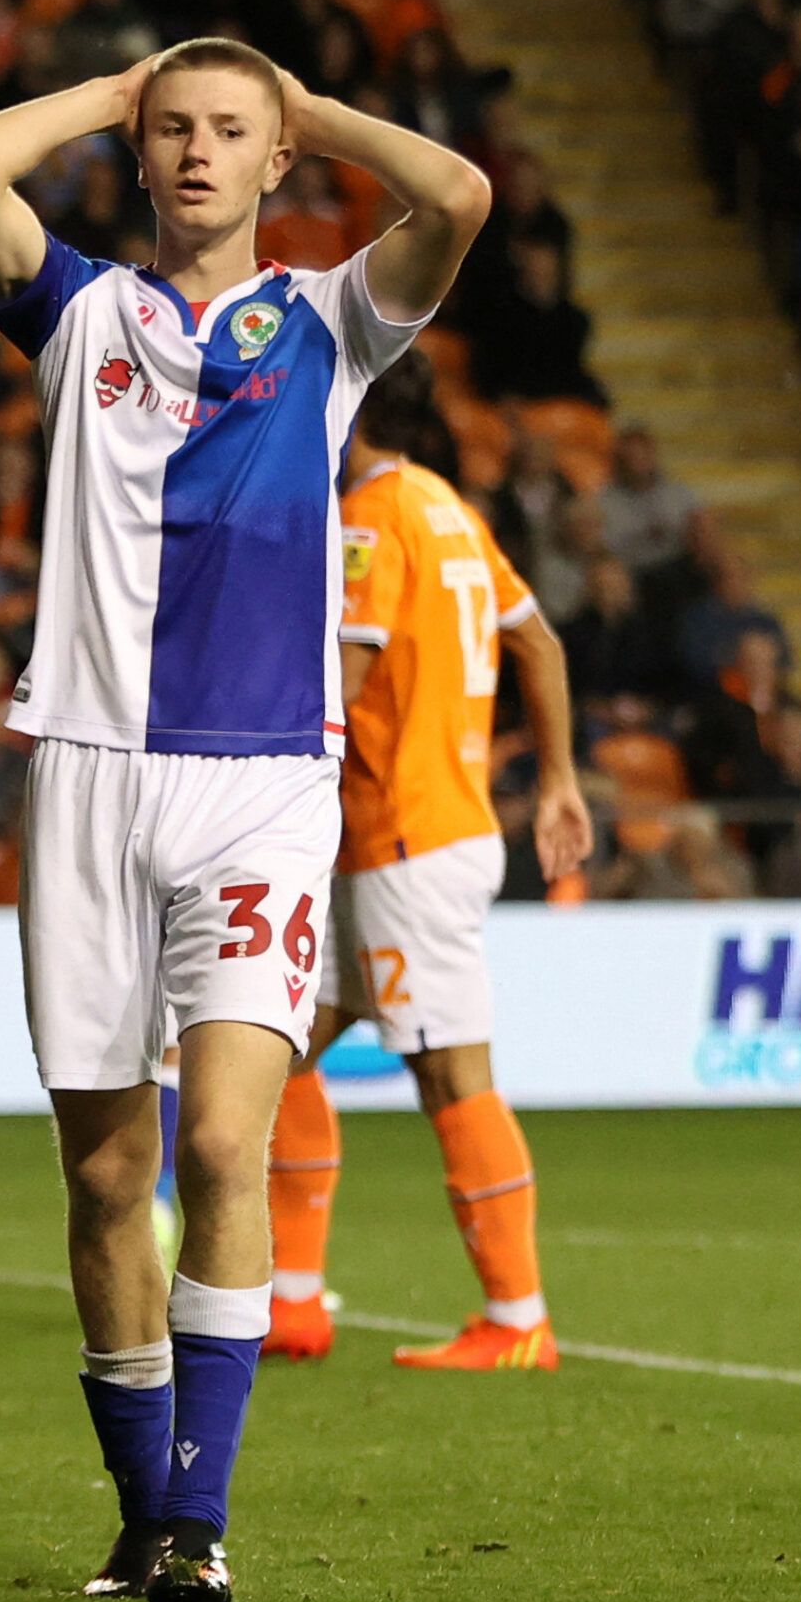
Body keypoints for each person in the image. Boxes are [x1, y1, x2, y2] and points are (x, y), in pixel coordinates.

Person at [0, 36, 489, 1602]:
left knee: (228, 1138)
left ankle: (201, 1512)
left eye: (228, 131)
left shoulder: (331, 320)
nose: (194, 151)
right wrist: (110, 93)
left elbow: (458, 189)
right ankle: (136, 1502)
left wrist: (318, 113)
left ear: (273, 160)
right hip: (91, 775)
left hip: (260, 783)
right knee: (111, 1174)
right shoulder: (79, 313)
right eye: (171, 128)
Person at [257, 352, 591, 1372]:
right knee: (276, 1052)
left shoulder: (370, 516)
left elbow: (340, 680)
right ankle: (294, 1301)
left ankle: (516, 1314)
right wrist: (562, 779)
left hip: (408, 837)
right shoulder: (447, 509)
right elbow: (537, 643)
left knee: (450, 1071)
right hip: (387, 838)